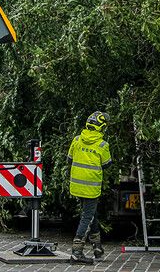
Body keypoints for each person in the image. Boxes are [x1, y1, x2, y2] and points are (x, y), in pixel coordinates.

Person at [67, 111, 112, 264]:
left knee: (92, 215)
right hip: (91, 187)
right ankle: (76, 252)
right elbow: (107, 164)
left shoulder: (77, 139)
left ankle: (97, 249)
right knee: (87, 216)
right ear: (102, 127)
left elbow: (69, 159)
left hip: (77, 185)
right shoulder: (102, 145)